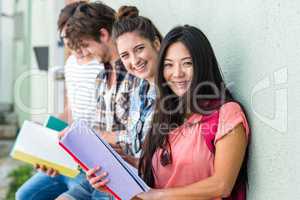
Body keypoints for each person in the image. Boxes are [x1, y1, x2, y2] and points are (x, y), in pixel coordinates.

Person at [88, 25, 250, 200]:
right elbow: (157, 174)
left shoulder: (226, 113)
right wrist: (115, 169)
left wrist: (156, 196)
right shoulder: (167, 112)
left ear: (202, 63)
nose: (177, 73)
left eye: (187, 63)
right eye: (169, 65)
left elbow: (221, 185)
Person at [16, 1, 106, 200]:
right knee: (24, 195)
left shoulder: (101, 65)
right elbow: (71, 109)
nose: (71, 42)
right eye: (66, 36)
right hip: (69, 154)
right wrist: (45, 137)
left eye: (75, 36)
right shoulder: (71, 63)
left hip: (89, 161)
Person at [55, 2, 144, 200]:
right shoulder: (101, 78)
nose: (85, 54)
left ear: (103, 35)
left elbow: (139, 136)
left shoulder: (135, 74)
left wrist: (102, 137)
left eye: (86, 45)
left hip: (124, 175)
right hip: (101, 173)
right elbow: (101, 132)